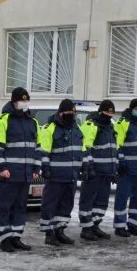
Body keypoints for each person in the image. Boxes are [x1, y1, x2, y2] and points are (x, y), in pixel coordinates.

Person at [0, 87, 39, 253]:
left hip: (24, 174)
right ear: (14, 101)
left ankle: (16, 236)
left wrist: (35, 168)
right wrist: (2, 168)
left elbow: (36, 148)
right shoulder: (3, 120)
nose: (24, 103)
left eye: (26, 100)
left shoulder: (33, 122)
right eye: (21, 101)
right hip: (8, 173)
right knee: (3, 206)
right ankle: (4, 239)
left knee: (19, 206)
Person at [38, 99, 86, 246]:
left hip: (71, 176)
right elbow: (43, 151)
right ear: (60, 113)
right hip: (55, 175)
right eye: (68, 112)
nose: (71, 115)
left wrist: (85, 166)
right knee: (50, 205)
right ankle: (49, 233)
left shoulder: (77, 129)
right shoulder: (49, 128)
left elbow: (81, 150)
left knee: (66, 206)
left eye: (73, 112)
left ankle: (60, 230)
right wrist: (45, 168)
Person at [78, 100, 118, 241]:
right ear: (100, 112)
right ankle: (86, 228)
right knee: (88, 200)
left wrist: (114, 170)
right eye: (107, 112)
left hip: (106, 172)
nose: (109, 115)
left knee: (101, 202)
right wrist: (89, 167)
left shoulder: (110, 128)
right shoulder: (91, 125)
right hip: (94, 172)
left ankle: (95, 225)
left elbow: (114, 151)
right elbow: (85, 148)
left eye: (111, 113)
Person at [113, 98, 137, 237]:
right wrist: (121, 162)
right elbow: (117, 145)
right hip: (127, 168)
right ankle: (120, 226)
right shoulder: (123, 123)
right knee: (122, 197)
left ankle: (133, 224)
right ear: (131, 109)